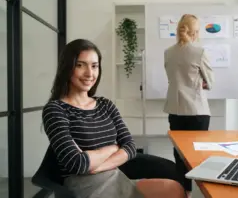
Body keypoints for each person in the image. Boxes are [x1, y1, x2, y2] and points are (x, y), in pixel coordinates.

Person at [42, 39, 186, 198]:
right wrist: (113, 148)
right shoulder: (55, 110)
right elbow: (77, 163)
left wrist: (95, 164)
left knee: (175, 189)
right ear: (67, 67)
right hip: (85, 187)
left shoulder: (105, 105)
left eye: (94, 66)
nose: (89, 73)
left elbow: (130, 147)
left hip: (115, 177)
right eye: (80, 65)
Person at [163, 14, 214, 197]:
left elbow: (173, 79)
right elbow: (210, 82)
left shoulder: (168, 52)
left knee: (180, 156)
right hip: (197, 110)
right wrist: (202, 83)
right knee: (198, 156)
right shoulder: (200, 52)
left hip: (175, 110)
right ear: (195, 32)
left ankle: (184, 193)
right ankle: (205, 193)